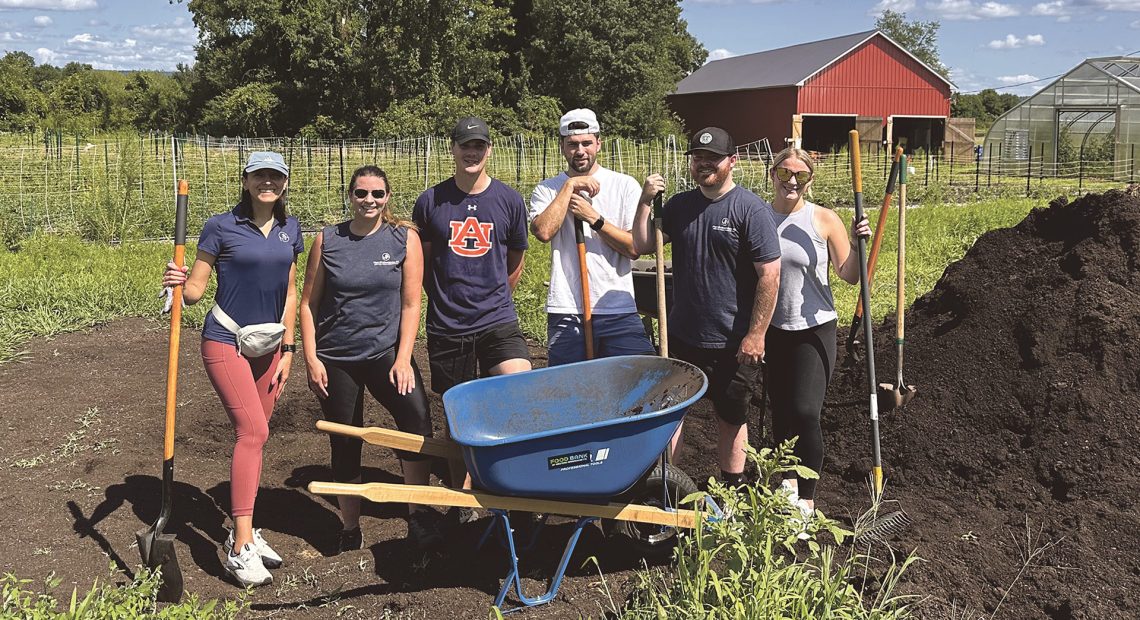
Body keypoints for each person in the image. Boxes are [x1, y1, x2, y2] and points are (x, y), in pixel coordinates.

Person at [161, 151, 303, 587]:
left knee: (256, 439)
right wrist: (177, 281)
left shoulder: (291, 228)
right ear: (245, 180)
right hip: (226, 340)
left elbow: (292, 293)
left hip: (270, 345)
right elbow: (195, 293)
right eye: (259, 174)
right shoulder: (221, 226)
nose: (268, 182)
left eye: (275, 176)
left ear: (284, 183)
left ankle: (247, 530)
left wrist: (289, 350)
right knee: (253, 433)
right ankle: (240, 546)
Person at [299, 165, 442, 553]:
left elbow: (412, 302)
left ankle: (418, 511)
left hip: (384, 353)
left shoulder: (403, 238)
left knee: (415, 419)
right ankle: (349, 525)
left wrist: (403, 358)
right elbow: (309, 304)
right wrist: (311, 359)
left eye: (377, 194)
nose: (369, 201)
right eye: (361, 193)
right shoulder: (328, 240)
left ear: (388, 197)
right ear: (350, 196)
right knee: (345, 438)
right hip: (336, 357)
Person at [633, 127, 782, 489]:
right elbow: (640, 244)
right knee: (671, 415)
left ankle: (731, 490)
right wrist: (645, 200)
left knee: (730, 418)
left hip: (733, 343)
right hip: (682, 336)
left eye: (712, 159)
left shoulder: (750, 209)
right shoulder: (681, 206)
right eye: (698, 158)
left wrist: (756, 334)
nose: (703, 164)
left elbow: (770, 275)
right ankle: (665, 488)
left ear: (732, 161)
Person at [412, 117, 532, 508]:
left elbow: (515, 258)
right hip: (448, 324)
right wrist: (446, 298)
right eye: (465, 145)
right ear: (453, 149)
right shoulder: (431, 201)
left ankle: (511, 482)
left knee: (518, 390)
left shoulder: (509, 200)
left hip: (497, 318)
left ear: (489, 150)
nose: (472, 152)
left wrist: (497, 296)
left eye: (479, 146)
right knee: (458, 414)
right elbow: (423, 263)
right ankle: (462, 499)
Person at [764, 147, 870, 516]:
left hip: (814, 327)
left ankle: (806, 497)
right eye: (785, 173)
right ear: (772, 173)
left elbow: (852, 275)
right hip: (770, 328)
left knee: (805, 411)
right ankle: (787, 485)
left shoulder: (823, 219)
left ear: (810, 180)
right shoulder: (758, 217)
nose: (792, 181)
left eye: (801, 175)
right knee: (780, 410)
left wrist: (861, 245)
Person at [529, 108, 655, 365]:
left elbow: (633, 248)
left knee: (638, 377)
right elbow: (543, 231)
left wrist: (594, 219)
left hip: (617, 306)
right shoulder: (547, 189)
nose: (580, 150)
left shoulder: (624, 185)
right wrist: (569, 186)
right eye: (572, 144)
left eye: (587, 143)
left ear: (599, 142)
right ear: (562, 146)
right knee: (568, 387)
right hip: (567, 307)